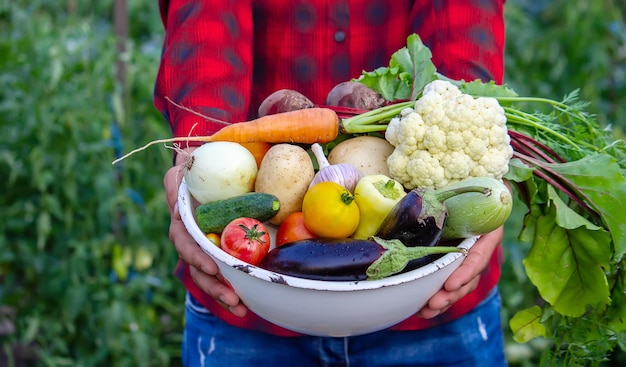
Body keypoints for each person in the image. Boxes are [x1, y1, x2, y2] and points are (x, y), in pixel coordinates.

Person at [157, 1, 508, 366]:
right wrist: (198, 148)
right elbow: (208, 19)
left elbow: (463, 15)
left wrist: (475, 149)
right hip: (248, 295)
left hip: (429, 302)